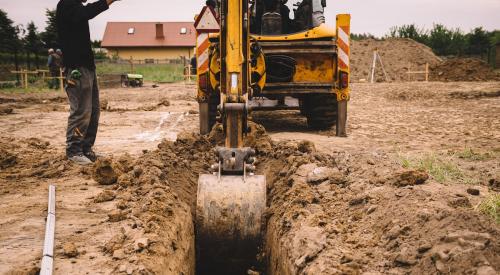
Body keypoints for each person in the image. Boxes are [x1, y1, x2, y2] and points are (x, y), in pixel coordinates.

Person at [56, 0, 120, 165]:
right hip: (76, 68)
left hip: (87, 67)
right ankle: (74, 151)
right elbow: (86, 12)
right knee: (81, 111)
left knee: (93, 110)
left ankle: (86, 148)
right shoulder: (66, 4)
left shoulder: (75, 7)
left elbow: (85, 12)